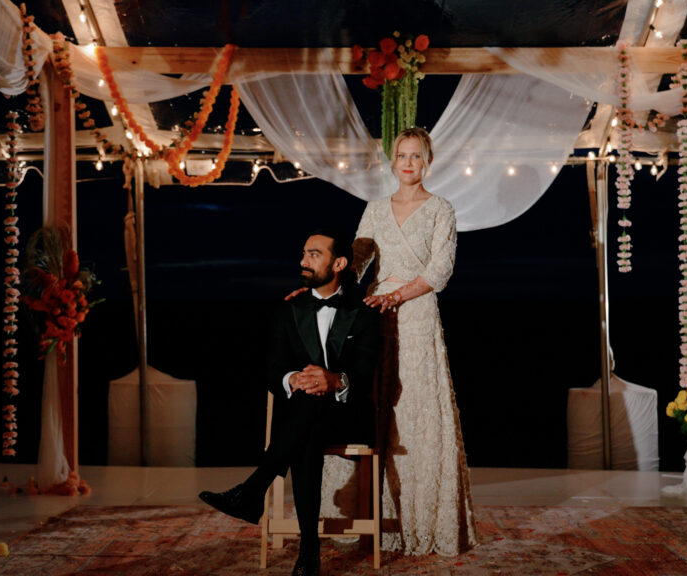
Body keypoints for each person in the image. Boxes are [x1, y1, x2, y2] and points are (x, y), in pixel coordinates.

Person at [319, 127, 478, 556]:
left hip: (417, 315)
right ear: (393, 162)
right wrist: (324, 283)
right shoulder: (374, 208)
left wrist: (397, 295)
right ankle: (368, 520)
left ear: (427, 162)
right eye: (402, 156)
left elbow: (441, 268)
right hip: (375, 318)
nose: (408, 163)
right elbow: (356, 260)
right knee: (374, 409)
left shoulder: (441, 209)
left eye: (416, 156)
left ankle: (423, 523)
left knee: (417, 413)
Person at [199, 229, 381, 576]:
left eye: (314, 254)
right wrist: (292, 379)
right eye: (303, 254)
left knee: (305, 417)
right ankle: (308, 552)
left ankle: (253, 491)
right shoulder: (289, 310)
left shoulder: (363, 313)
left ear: (339, 263)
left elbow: (364, 372)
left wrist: (335, 380)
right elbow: (273, 370)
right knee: (307, 424)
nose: (303, 262)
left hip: (346, 413)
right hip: (304, 415)